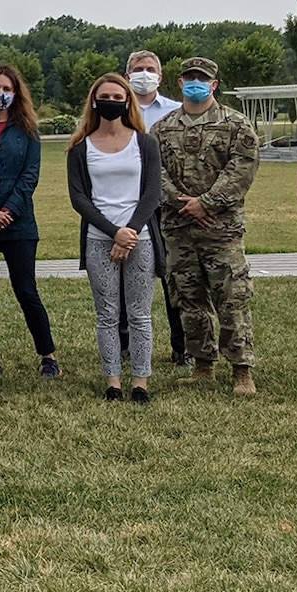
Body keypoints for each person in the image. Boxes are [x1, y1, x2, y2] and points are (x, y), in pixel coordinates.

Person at [156, 56, 261, 395]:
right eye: (190, 78)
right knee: (189, 299)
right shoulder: (163, 127)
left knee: (231, 297)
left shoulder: (236, 124)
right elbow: (152, 173)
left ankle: (241, 370)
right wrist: (183, 203)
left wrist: (206, 203)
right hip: (178, 228)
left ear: (214, 84)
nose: (195, 83)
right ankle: (203, 364)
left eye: (203, 78)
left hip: (222, 230)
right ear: (180, 84)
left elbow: (240, 171)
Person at [66, 73, 164, 404]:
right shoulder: (80, 147)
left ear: (127, 102)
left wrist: (130, 232)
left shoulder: (145, 143)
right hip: (99, 239)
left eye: (118, 97)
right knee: (107, 314)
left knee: (139, 314)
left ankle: (140, 382)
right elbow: (79, 197)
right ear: (94, 101)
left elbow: (152, 193)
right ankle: (113, 382)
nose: (112, 101)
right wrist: (114, 233)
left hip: (141, 239)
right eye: (105, 96)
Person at [0, 64, 58, 378]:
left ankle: (48, 356)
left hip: (19, 224)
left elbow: (30, 176)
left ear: (16, 94)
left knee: (26, 290)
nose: (0, 94)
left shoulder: (27, 129)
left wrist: (8, 211)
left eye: (7, 89)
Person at [126, 49, 187, 365]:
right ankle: (124, 344)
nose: (144, 74)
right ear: (127, 76)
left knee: (172, 277)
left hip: (167, 204)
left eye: (150, 69)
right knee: (126, 274)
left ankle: (182, 347)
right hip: (126, 205)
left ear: (160, 77)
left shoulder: (177, 111)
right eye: (138, 69)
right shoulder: (116, 109)